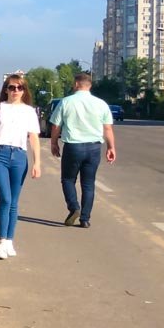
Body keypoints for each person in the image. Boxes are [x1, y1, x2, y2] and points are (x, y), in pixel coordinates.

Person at [0, 74, 41, 259]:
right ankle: (1, 241)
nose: (15, 91)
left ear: (24, 91)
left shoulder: (29, 111)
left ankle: (9, 240)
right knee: (5, 198)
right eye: (12, 87)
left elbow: (34, 138)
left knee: (14, 201)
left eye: (19, 88)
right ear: (6, 89)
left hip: (19, 157)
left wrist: (37, 162)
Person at [49, 72, 116, 228]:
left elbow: (56, 125)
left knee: (68, 179)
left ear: (76, 84)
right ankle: (85, 218)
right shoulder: (101, 104)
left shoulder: (66, 102)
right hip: (94, 147)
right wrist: (111, 147)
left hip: (73, 147)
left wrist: (54, 143)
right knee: (88, 183)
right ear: (90, 85)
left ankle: (74, 207)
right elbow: (107, 128)